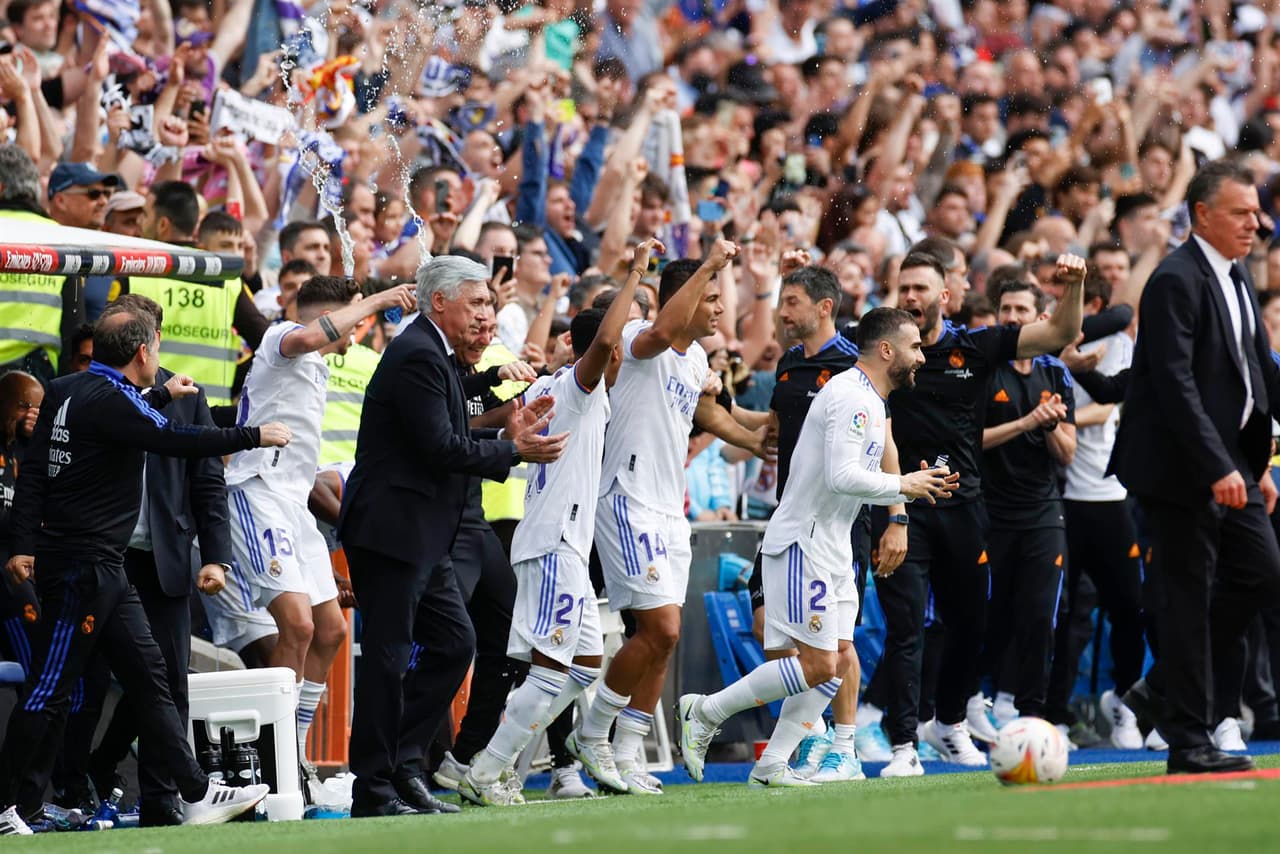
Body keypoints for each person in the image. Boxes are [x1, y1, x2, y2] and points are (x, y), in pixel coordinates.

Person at [0, 303, 289, 831]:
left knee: (153, 679)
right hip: (81, 569)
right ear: (142, 352)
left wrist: (161, 395)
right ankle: (7, 806)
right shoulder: (112, 401)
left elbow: (112, 420)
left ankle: (197, 792)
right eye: (155, 346)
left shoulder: (68, 389)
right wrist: (254, 434)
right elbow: (173, 438)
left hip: (103, 567)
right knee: (49, 690)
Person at [679, 307, 957, 787]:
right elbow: (842, 476)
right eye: (914, 347)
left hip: (832, 544)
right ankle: (706, 710)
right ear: (886, 350)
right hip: (802, 542)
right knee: (819, 664)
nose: (921, 356)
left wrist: (905, 490)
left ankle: (771, 764)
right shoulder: (851, 397)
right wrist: (904, 485)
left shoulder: (871, 400)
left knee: (838, 659)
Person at [338, 255, 566, 818]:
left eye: (489, 303)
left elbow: (452, 412)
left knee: (454, 644)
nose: (486, 314)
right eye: (477, 302)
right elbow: (441, 446)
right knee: (388, 660)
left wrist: (497, 405)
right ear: (439, 301)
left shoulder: (430, 353)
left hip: (423, 534)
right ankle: (373, 787)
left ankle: (405, 766)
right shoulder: (417, 352)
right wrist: (514, 450)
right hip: (392, 532)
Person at [458, 237, 663, 807]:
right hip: (553, 541)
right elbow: (604, 341)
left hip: (562, 541)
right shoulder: (578, 385)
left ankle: (509, 755)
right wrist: (636, 271)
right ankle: (485, 769)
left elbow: (490, 423)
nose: (623, 358)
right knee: (553, 670)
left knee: (584, 666)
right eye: (618, 349)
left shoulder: (553, 387)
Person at [567, 242, 769, 795]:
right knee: (661, 628)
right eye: (711, 297)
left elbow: (702, 412)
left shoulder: (697, 359)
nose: (719, 307)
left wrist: (754, 441)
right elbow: (660, 330)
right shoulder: (639, 337)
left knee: (662, 641)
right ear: (686, 297)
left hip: (668, 509)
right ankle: (592, 733)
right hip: (626, 499)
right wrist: (710, 264)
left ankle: (627, 753)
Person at [876, 249, 1085, 777]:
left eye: (921, 289)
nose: (910, 297)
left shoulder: (975, 346)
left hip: (965, 507)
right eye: (904, 288)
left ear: (945, 296)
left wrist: (1074, 286)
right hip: (902, 505)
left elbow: (1059, 333)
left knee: (970, 625)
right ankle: (903, 743)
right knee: (907, 627)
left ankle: (949, 724)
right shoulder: (881, 350)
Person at [1110, 161, 1280, 774]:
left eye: (1256, 212)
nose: (1255, 224)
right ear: (1202, 215)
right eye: (1241, 213)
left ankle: (1160, 690)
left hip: (1233, 463)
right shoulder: (1174, 279)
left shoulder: (1236, 275)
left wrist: (1257, 461)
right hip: (1181, 469)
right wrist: (1216, 466)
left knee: (1262, 573)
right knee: (1185, 599)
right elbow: (1174, 383)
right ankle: (1188, 741)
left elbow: (1258, 371)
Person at [220, 276, 416, 771]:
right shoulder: (280, 338)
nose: (359, 330)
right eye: (356, 317)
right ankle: (274, 758)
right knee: (299, 625)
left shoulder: (318, 366)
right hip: (258, 494)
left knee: (330, 630)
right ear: (334, 315)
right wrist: (377, 300)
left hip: (293, 506)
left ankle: (297, 753)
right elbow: (308, 335)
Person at [81, 293, 238, 826]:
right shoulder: (90, 394)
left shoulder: (187, 395)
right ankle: (73, 784)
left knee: (168, 680)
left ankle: (159, 797)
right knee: (91, 679)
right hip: (103, 556)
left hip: (162, 560)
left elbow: (208, 483)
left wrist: (216, 558)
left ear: (152, 341)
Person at [979, 281, 1076, 724]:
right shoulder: (985, 368)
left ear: (1041, 319)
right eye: (1005, 308)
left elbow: (1067, 453)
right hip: (990, 512)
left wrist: (1050, 425)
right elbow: (971, 441)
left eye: (1021, 309)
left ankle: (1031, 714)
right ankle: (968, 703)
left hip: (1042, 511)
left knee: (1040, 616)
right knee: (988, 615)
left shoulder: (1054, 373)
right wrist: (1027, 421)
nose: (1012, 317)